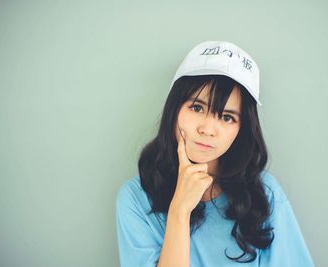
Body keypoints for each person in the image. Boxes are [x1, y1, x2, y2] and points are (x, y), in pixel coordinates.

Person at [116, 41, 315, 267]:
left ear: (241, 130)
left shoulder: (263, 194)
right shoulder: (135, 197)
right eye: (197, 108)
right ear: (174, 109)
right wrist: (180, 211)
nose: (208, 130)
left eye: (227, 117)